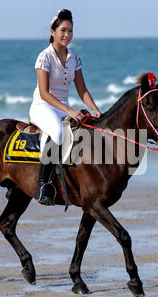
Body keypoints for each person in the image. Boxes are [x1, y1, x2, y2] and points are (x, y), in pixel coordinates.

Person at [29, 9, 101, 205]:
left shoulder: (74, 58)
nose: (66, 35)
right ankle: (43, 185)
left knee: (86, 132)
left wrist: (95, 110)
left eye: (70, 31)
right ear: (52, 32)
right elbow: (44, 92)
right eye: (62, 30)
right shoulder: (44, 57)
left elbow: (82, 90)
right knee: (58, 133)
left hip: (63, 106)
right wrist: (70, 111)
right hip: (43, 106)